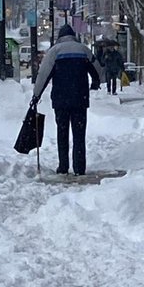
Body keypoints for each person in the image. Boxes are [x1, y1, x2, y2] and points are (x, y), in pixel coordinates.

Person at [32, 23, 102, 175]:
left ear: (60, 37)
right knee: (79, 135)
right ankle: (79, 167)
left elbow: (43, 75)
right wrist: (95, 84)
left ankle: (63, 166)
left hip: (60, 100)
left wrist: (36, 96)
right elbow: (98, 71)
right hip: (80, 99)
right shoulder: (84, 50)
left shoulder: (54, 52)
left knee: (62, 133)